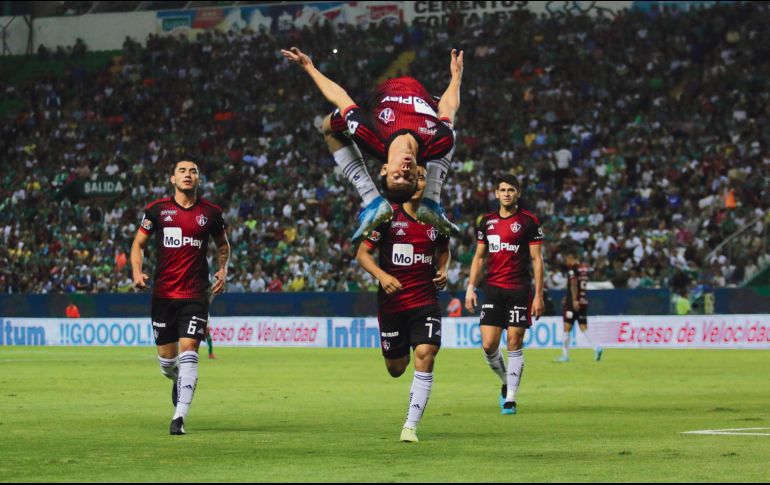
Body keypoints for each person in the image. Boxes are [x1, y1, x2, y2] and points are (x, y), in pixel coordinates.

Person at [281, 46, 463, 240]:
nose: (404, 170)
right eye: (409, 178)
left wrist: (309, 67)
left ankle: (372, 200)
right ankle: (431, 201)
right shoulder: (437, 139)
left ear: (384, 169)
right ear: (418, 173)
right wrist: (457, 77)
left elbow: (339, 96)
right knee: (449, 135)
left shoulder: (368, 132)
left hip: (376, 104)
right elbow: (449, 106)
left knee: (328, 127)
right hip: (425, 98)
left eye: (396, 176)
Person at [130, 156, 230, 435]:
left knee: (190, 351)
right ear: (172, 179)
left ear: (198, 179)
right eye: (182, 171)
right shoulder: (157, 211)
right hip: (163, 295)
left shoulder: (211, 213)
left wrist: (222, 269)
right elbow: (138, 244)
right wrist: (136, 272)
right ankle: (178, 379)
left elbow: (223, 245)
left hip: (196, 294)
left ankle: (179, 417)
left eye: (193, 171)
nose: (188, 174)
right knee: (166, 363)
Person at [356, 166, 451, 442]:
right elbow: (362, 254)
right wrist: (383, 276)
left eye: (422, 178)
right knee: (396, 368)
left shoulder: (436, 218)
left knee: (426, 353)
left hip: (426, 300)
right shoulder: (387, 216)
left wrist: (443, 269)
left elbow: (444, 249)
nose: (418, 182)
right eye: (414, 178)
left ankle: (410, 425)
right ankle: (402, 351)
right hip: (393, 305)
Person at [464, 175, 545, 416]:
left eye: (511, 190)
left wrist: (538, 295)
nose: (507, 193)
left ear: (518, 193)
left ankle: (510, 399)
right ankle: (505, 380)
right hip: (493, 289)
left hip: (519, 289)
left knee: (514, 341)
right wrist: (470, 286)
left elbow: (537, 259)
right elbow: (479, 257)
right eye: (503, 190)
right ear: (496, 194)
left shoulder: (529, 221)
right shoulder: (487, 222)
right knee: (489, 345)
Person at [556, 249, 602, 363]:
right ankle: (597, 347)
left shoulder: (573, 270)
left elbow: (574, 285)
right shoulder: (584, 269)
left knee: (566, 328)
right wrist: (569, 297)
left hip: (573, 304)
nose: (566, 262)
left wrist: (573, 300)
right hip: (583, 301)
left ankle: (565, 356)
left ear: (571, 258)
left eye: (567, 260)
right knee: (583, 327)